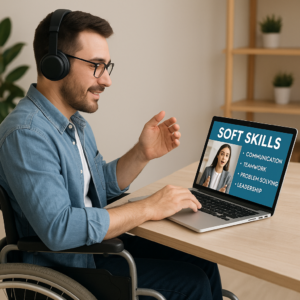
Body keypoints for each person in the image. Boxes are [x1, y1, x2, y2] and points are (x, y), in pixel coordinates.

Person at [0, 10, 222, 300]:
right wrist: (149, 207)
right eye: (96, 66)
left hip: (92, 252)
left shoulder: (74, 123)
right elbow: (60, 228)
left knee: (202, 260)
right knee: (191, 282)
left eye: (107, 67)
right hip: (68, 269)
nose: (107, 80)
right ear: (55, 64)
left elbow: (95, 191)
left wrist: (142, 153)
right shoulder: (26, 134)